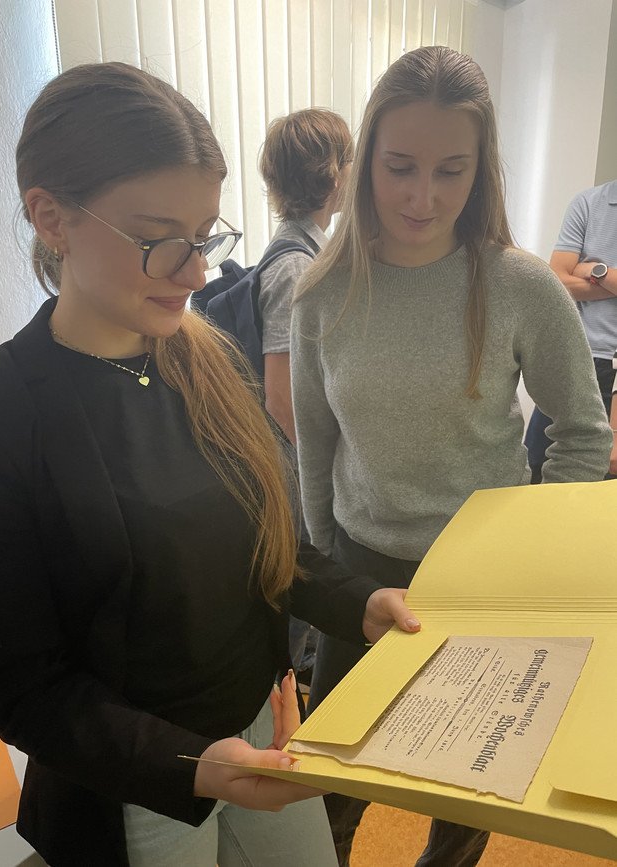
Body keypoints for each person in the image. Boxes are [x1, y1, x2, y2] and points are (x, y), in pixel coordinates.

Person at [0, 62, 422, 867]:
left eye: (206, 234)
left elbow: (268, 553)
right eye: (159, 240)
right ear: (50, 217)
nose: (196, 272)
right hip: (133, 782)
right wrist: (193, 764)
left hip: (265, 727)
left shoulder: (204, 359)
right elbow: (24, 688)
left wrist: (362, 601)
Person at [290, 45, 612, 867]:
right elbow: (315, 441)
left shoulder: (520, 286)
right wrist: (326, 573)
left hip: (486, 581)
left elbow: (583, 430)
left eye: (451, 170)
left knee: (465, 792)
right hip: (361, 570)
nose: (422, 197)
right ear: (365, 162)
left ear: (481, 170)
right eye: (399, 167)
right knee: (332, 796)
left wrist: (533, 546)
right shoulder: (323, 291)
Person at [258, 108, 353, 672]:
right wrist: (326, 473)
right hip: (291, 471)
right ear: (334, 174)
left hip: (296, 465)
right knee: (297, 596)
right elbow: (282, 397)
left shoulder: (310, 252)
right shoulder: (296, 267)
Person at [525, 178, 617, 481]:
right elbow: (559, 283)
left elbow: (570, 275)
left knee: (606, 489)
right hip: (577, 360)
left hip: (612, 365)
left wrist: (595, 270)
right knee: (538, 469)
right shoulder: (588, 204)